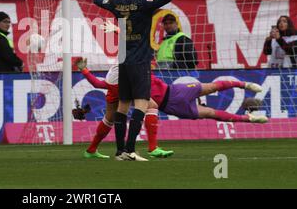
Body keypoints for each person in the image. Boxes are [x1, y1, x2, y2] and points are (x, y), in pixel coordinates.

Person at [76, 58, 266, 159]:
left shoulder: (137, 70)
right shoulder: (127, 81)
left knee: (212, 86)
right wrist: (84, 70)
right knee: (210, 114)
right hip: (172, 106)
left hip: (177, 91)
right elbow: (102, 84)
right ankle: (249, 119)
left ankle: (245, 84)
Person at [93, 0, 173, 161]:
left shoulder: (117, 3)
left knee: (123, 105)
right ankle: (130, 149)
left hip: (123, 62)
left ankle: (120, 151)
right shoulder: (145, 4)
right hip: (140, 61)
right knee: (141, 104)